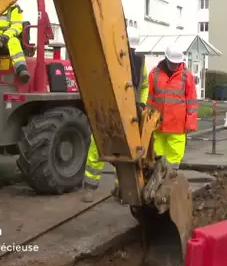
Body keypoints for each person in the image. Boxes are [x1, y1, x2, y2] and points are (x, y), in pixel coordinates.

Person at [82, 26, 148, 203]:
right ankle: (90, 187)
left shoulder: (140, 62)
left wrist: (141, 103)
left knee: (125, 151)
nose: (131, 50)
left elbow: (145, 85)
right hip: (108, 108)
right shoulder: (110, 57)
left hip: (129, 112)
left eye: (133, 48)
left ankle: (122, 189)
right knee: (97, 147)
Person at [146, 44, 198, 169]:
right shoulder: (154, 74)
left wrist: (190, 123)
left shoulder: (186, 75)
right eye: (172, 63)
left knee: (174, 157)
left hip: (177, 126)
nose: (174, 66)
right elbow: (150, 97)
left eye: (177, 63)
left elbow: (191, 101)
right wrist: (146, 118)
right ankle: (156, 180)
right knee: (156, 156)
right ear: (166, 59)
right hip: (158, 124)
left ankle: (171, 179)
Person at [0, 2, 31, 83]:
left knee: (14, 41)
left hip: (6, 38)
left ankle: (21, 69)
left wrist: (5, 37)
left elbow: (16, 27)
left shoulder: (14, 8)